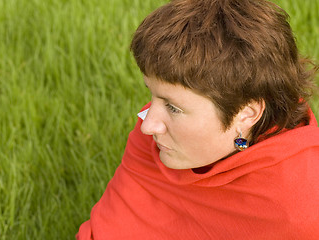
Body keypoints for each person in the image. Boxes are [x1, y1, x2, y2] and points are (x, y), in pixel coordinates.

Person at [76, 0, 319, 239]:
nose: (148, 124)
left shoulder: (302, 208)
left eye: (173, 107)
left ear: (246, 113)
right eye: (153, 95)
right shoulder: (156, 137)